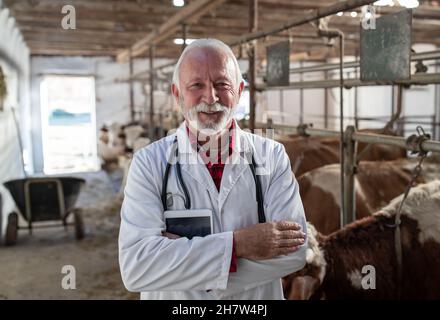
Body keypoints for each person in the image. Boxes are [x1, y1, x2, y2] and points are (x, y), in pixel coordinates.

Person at [118, 39, 307, 300]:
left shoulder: (272, 156)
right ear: (177, 94)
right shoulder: (148, 163)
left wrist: (184, 267)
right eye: (197, 85)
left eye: (222, 84)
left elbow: (295, 252)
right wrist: (240, 244)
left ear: (239, 91)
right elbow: (137, 268)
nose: (211, 97)